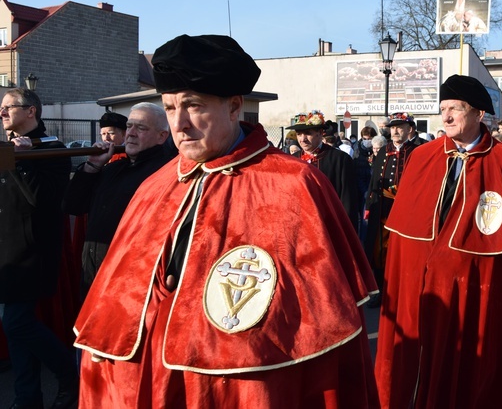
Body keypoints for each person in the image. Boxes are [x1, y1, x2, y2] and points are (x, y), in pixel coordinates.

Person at [73, 34, 379, 408]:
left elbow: (323, 335)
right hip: (155, 379)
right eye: (170, 108)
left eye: (194, 105)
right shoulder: (154, 186)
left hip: (241, 386)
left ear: (234, 107)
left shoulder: (297, 185)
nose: (180, 124)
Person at [375, 75, 502, 408]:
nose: (447, 117)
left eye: (455, 108)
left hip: (473, 288)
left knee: (469, 370)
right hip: (420, 285)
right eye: (443, 109)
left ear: (479, 114)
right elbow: (406, 231)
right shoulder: (421, 157)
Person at [0, 88, 78, 408]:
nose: (2, 113)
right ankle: (27, 397)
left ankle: (69, 374)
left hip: (31, 252)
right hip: (6, 251)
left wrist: (22, 160)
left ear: (31, 111)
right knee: (15, 329)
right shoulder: (8, 148)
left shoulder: (52, 148)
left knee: (16, 323)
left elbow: (39, 199)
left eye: (8, 107)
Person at [63, 102, 173, 300]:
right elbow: (73, 205)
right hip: (93, 272)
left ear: (161, 136)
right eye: (130, 126)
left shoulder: (165, 172)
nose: (131, 133)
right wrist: (92, 166)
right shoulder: (113, 168)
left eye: (141, 128)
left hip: (129, 281)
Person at [364, 112, 419, 307]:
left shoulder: (417, 150)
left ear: (409, 129)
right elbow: (373, 181)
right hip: (383, 208)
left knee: (405, 249)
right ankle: (381, 289)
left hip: (407, 207)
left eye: (400, 127)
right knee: (380, 250)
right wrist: (370, 204)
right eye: (393, 127)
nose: (395, 131)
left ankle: (403, 290)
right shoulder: (383, 150)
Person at [290, 111, 359, 229]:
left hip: (329, 225)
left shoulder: (340, 159)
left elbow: (348, 199)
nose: (303, 139)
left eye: (307, 133)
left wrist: (346, 231)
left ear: (320, 133)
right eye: (299, 134)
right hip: (300, 225)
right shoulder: (292, 159)